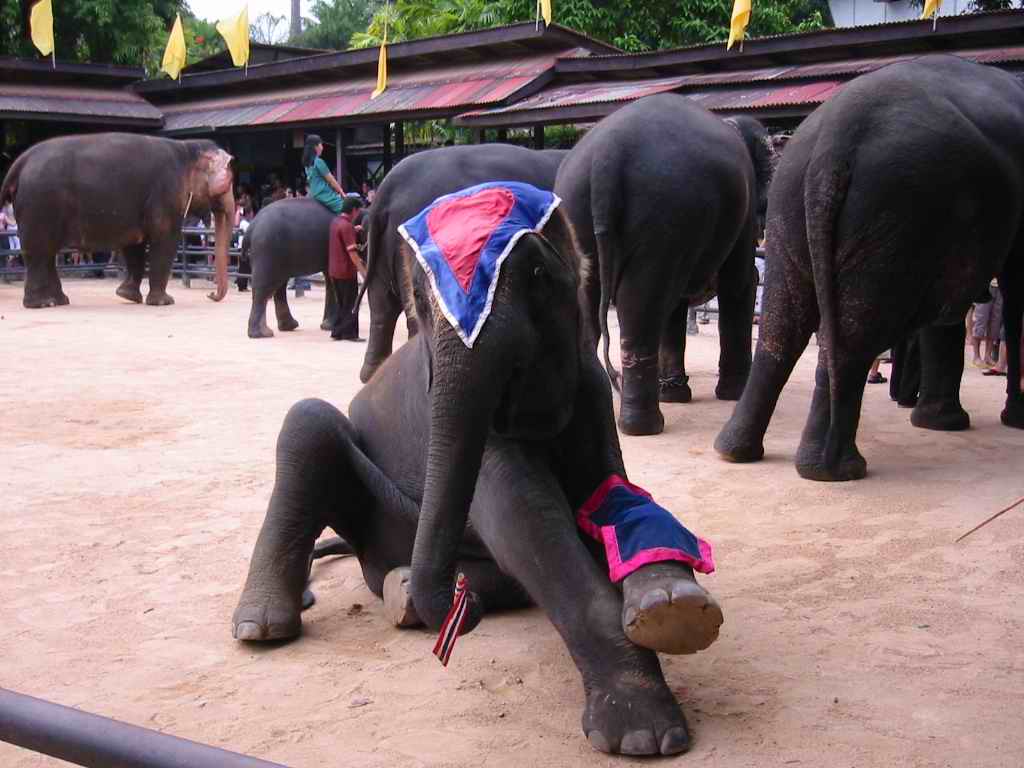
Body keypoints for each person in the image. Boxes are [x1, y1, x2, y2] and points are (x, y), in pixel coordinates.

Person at [327, 197, 366, 341]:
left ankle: (337, 331)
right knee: (351, 303)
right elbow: (353, 253)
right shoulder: (347, 226)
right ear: (354, 210)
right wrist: (363, 271)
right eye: (358, 211)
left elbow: (341, 234)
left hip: (334, 270)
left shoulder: (336, 222)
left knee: (341, 303)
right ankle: (350, 333)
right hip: (346, 271)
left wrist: (353, 230)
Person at [302, 134, 345, 214]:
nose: (322, 147)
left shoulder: (307, 165)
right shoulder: (319, 162)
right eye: (321, 144)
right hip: (323, 194)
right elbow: (331, 181)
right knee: (345, 209)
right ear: (316, 147)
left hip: (312, 193)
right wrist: (341, 192)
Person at [971, 281, 1002, 368]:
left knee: (995, 323)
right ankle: (976, 356)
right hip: (985, 285)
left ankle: (987, 356)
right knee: (981, 320)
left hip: (1000, 286)